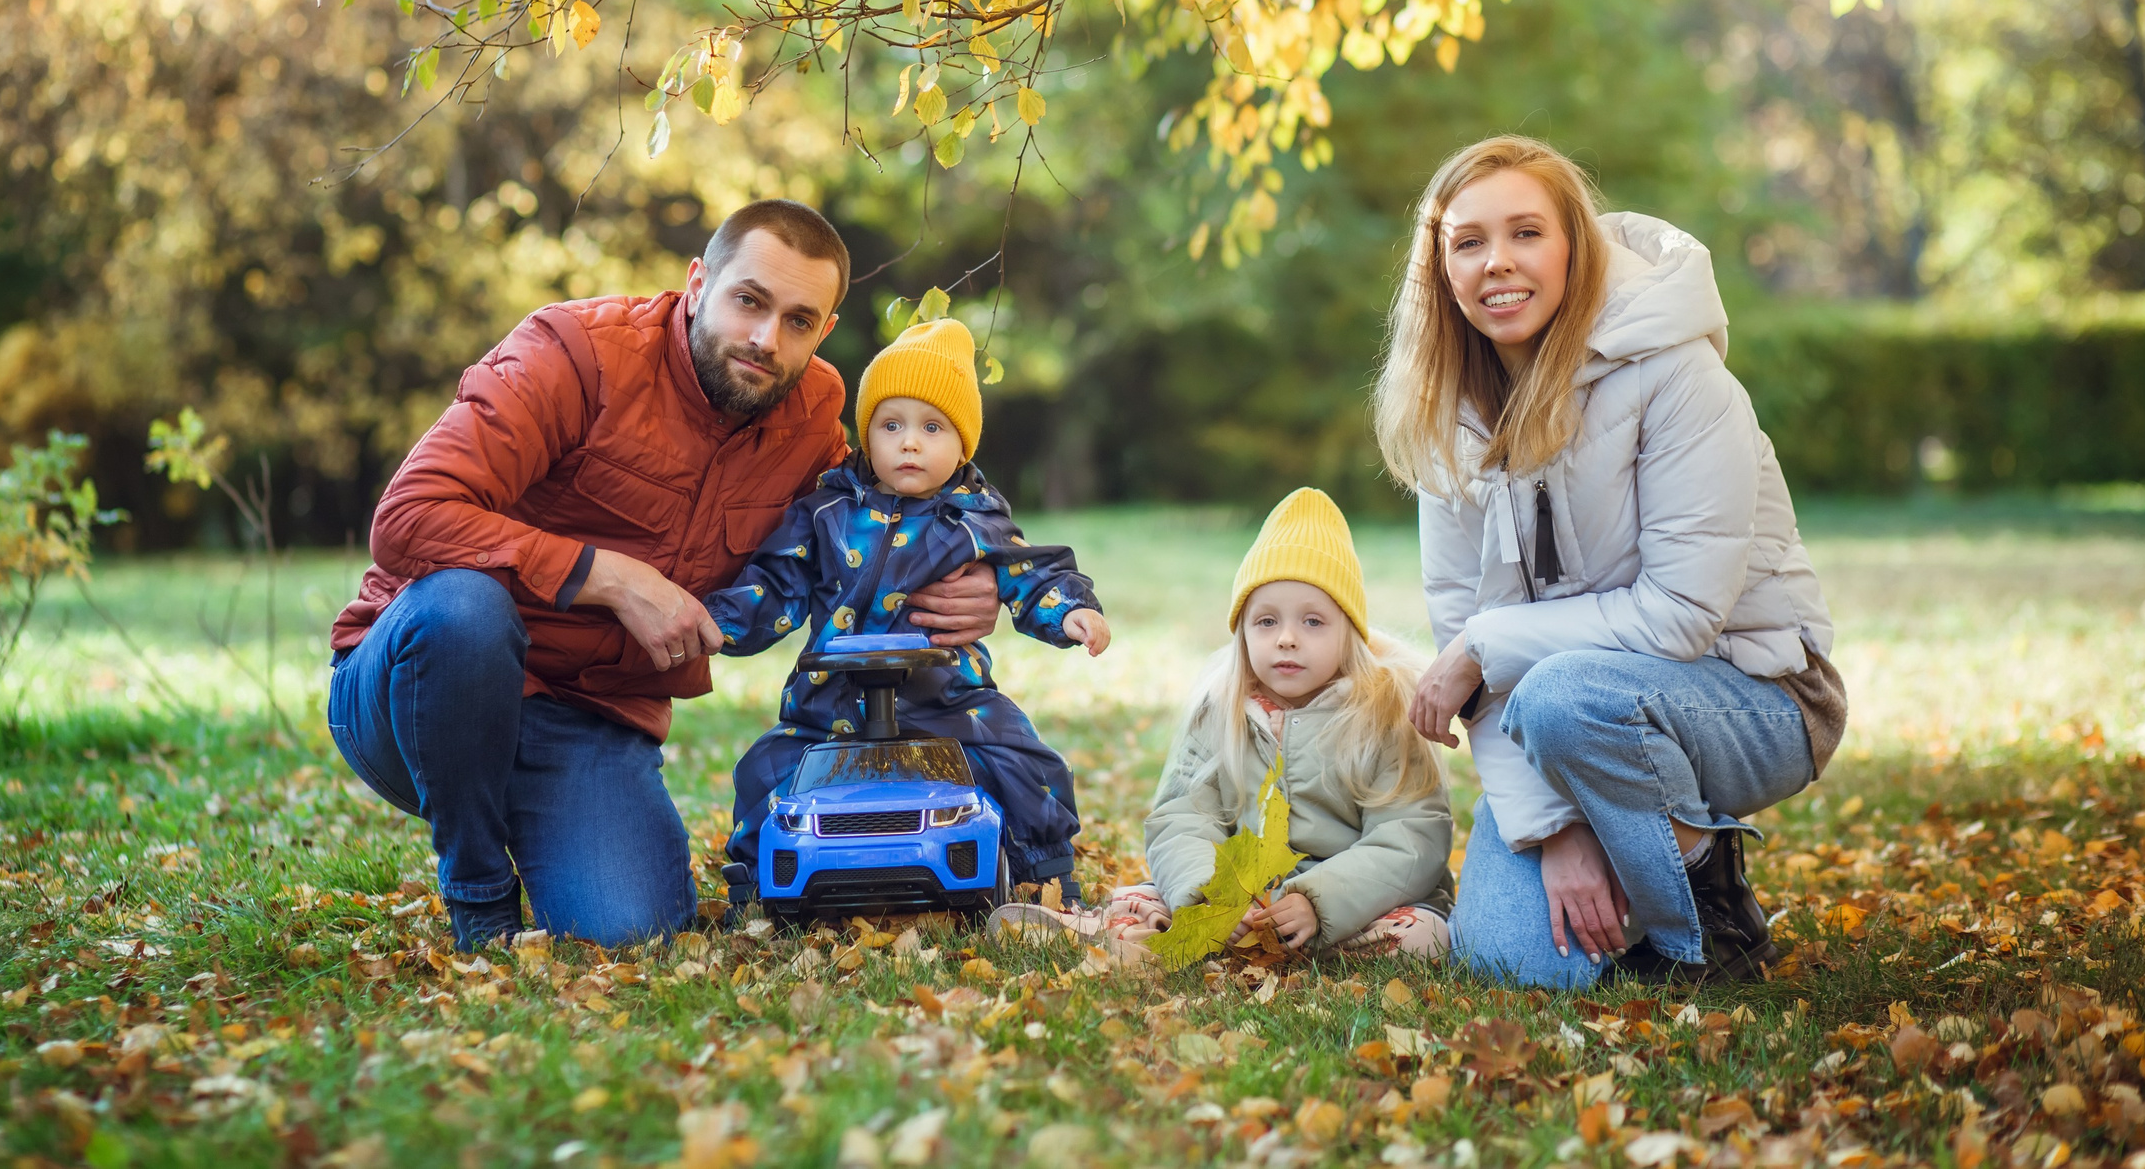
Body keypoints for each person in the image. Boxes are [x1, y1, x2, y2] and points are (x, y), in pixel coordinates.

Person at [323, 199, 1006, 951]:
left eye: (798, 321)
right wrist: (611, 577)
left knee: (633, 930)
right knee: (464, 609)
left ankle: (549, 821)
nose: (765, 338)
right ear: (698, 282)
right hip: (418, 690)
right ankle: (479, 894)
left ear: (824, 330)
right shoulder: (574, 352)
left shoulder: (814, 415)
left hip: (587, 716)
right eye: (749, 300)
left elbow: (868, 533)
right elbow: (409, 517)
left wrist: (974, 578)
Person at [1373, 135, 1845, 987]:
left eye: (1526, 232)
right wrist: (1556, 826)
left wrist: (1487, 644)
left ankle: (1709, 914)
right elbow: (1477, 668)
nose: (1497, 261)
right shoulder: (1449, 419)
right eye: (1468, 242)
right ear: (1440, 270)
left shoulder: (1677, 375)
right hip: (1567, 725)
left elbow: (1679, 615)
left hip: (1757, 695)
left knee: (1560, 694)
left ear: (1575, 247)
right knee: (1513, 960)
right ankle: (1621, 834)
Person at [705, 317, 1112, 903]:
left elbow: (1030, 571)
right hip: (830, 704)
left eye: (932, 427)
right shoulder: (825, 511)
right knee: (766, 768)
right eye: (891, 425)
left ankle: (1043, 869)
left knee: (1024, 759)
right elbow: (778, 580)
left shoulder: (976, 519)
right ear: (867, 436)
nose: (909, 442)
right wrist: (723, 621)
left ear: (963, 444)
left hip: (947, 699)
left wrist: (1069, 610)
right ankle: (755, 876)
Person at [1074, 488, 1454, 959]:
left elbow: (1411, 838)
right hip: (1239, 902)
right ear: (1243, 632)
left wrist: (1318, 902)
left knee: (1421, 935)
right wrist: (1212, 894)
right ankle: (1137, 927)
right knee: (1144, 898)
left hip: (1347, 906)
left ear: (1349, 632)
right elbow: (1183, 819)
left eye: (1313, 622)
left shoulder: (1383, 713)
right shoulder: (1222, 710)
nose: (1287, 639)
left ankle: (1274, 943)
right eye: (1267, 622)